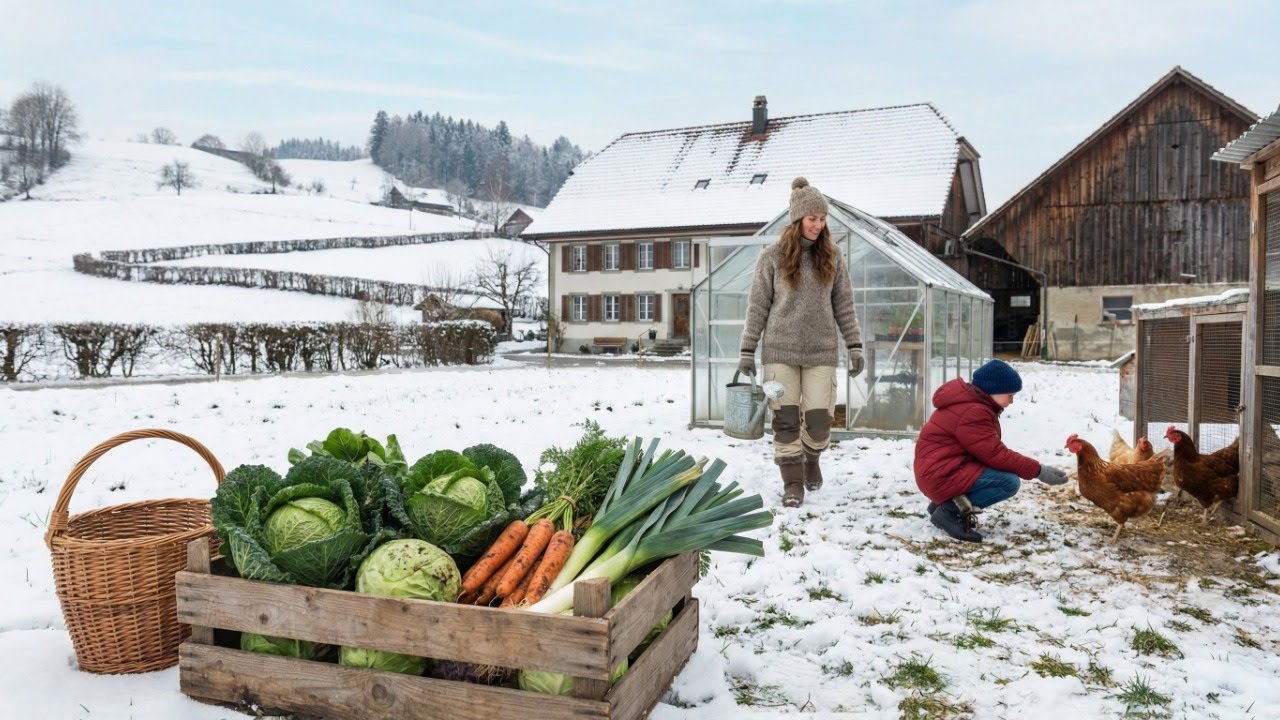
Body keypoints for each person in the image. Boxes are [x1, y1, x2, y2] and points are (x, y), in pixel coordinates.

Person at [738, 177, 864, 508]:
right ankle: (793, 483)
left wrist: (854, 345)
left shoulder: (833, 257)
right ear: (797, 220)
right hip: (780, 352)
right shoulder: (772, 258)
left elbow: (845, 305)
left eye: (822, 219)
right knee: (785, 420)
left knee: (820, 421)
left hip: (821, 352)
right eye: (812, 219)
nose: (818, 225)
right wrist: (747, 350)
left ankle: (812, 457)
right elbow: (757, 307)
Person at [913, 358, 1069, 542]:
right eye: (1010, 395)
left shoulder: (972, 404)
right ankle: (949, 511)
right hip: (940, 475)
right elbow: (995, 455)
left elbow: (986, 452)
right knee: (1008, 482)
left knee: (999, 473)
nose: (1012, 400)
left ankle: (945, 505)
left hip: (940, 471)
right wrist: (1038, 470)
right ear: (993, 391)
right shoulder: (974, 412)